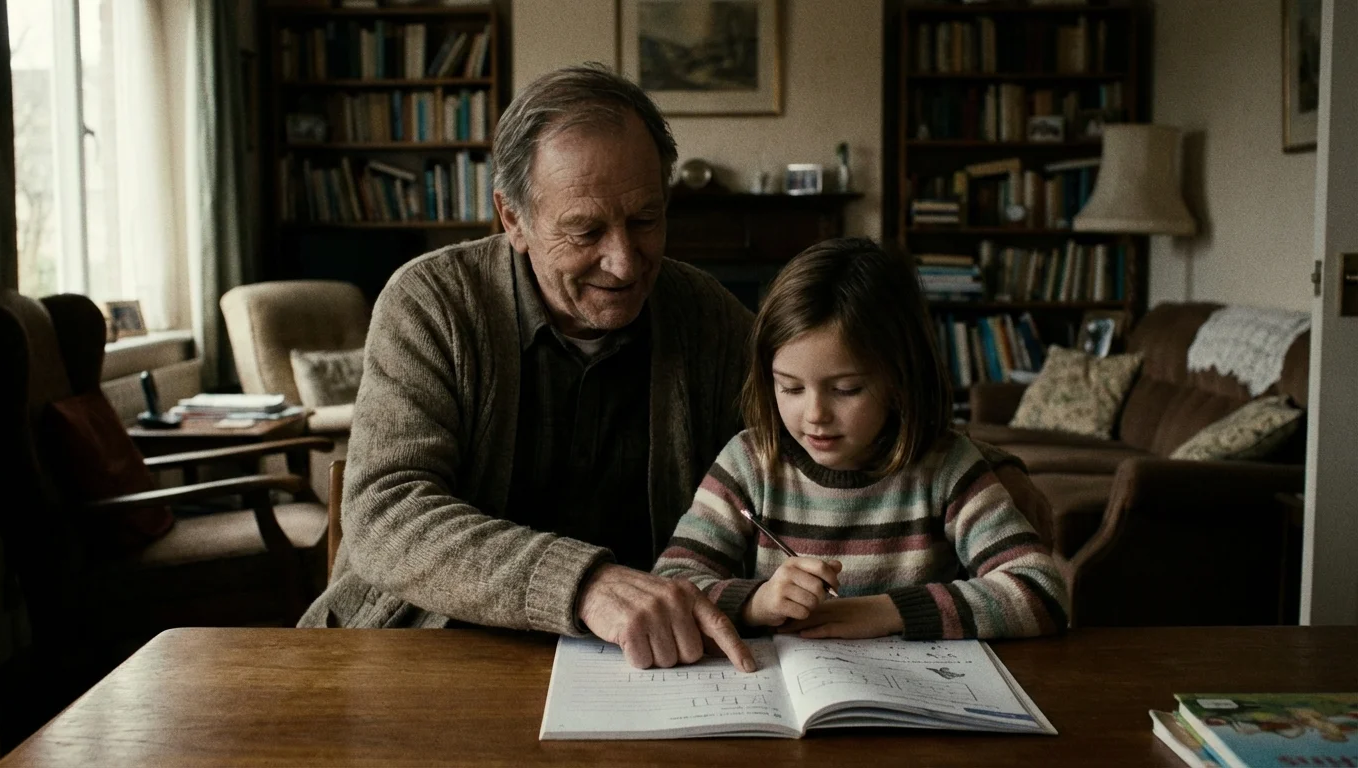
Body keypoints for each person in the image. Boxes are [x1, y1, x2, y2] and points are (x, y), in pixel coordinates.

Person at [298, 64, 759, 673]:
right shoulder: (432, 301)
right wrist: (586, 585)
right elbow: (386, 508)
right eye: (585, 230)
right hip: (423, 648)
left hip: (642, 667)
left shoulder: (710, 318)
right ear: (513, 219)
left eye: (646, 220)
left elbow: (791, 468)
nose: (624, 263)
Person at [653, 238, 1069, 640]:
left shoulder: (946, 468)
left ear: (899, 380)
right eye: (791, 388)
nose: (815, 415)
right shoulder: (750, 462)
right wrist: (756, 602)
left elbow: (1041, 591)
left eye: (847, 389)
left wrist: (886, 611)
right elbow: (672, 584)